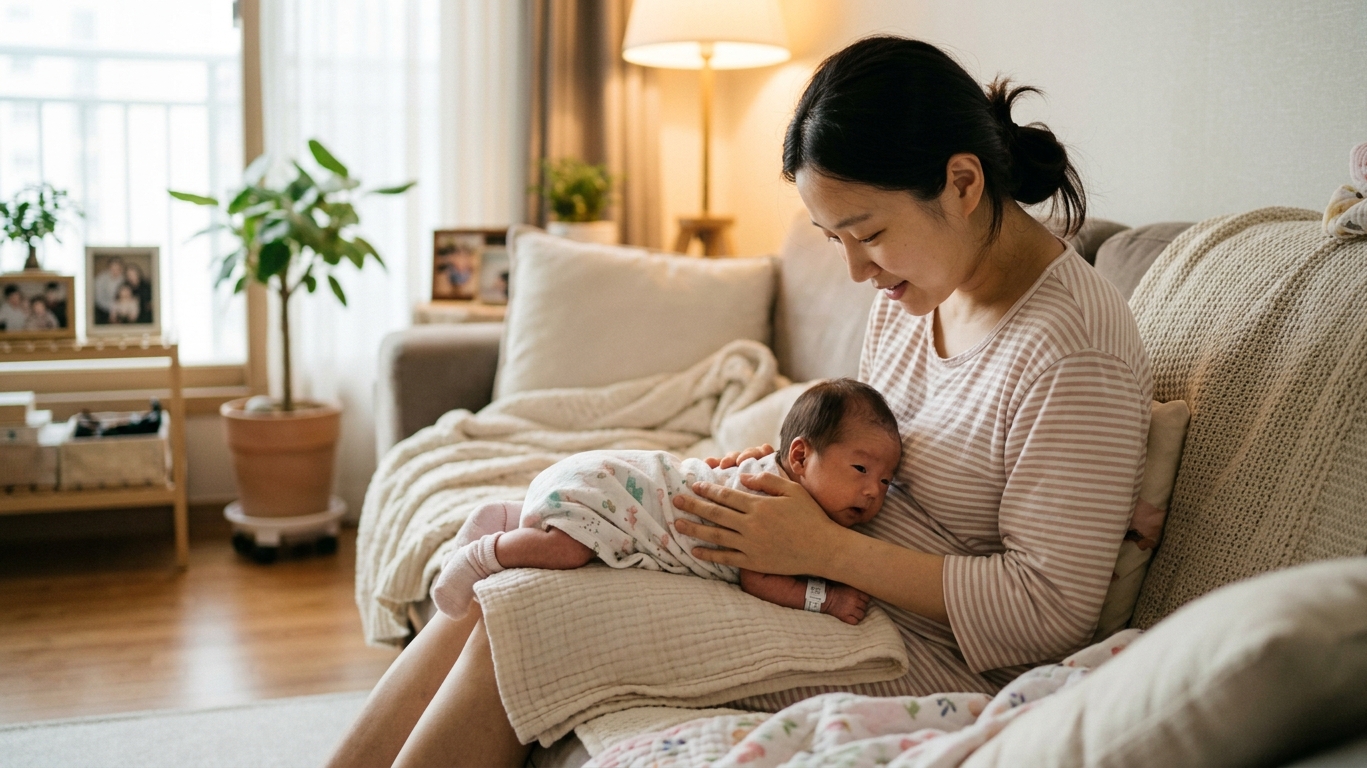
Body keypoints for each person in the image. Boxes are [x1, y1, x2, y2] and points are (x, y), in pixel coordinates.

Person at [327, 35, 1149, 768]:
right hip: (809, 578)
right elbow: (848, 446)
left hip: (913, 642)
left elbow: (1049, 615)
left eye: (867, 233)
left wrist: (828, 553)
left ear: (962, 182)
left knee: (531, 613)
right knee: (523, 571)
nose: (859, 272)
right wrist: (773, 483)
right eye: (838, 243)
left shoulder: (1073, 348)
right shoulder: (917, 294)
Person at [430, 379, 900, 626]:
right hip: (614, 492)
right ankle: (482, 554)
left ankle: (505, 516)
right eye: (860, 470)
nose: (873, 491)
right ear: (799, 455)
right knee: (570, 549)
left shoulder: (774, 476)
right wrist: (826, 599)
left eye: (886, 480)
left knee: (563, 522)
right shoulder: (777, 506)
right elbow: (760, 578)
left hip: (614, 479)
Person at [92, 257, 126, 322]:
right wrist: (113, 308)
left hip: (121, 308)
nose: (115, 271)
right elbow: (99, 299)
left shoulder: (124, 279)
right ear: (108, 268)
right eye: (113, 268)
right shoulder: (100, 279)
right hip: (103, 309)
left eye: (118, 269)